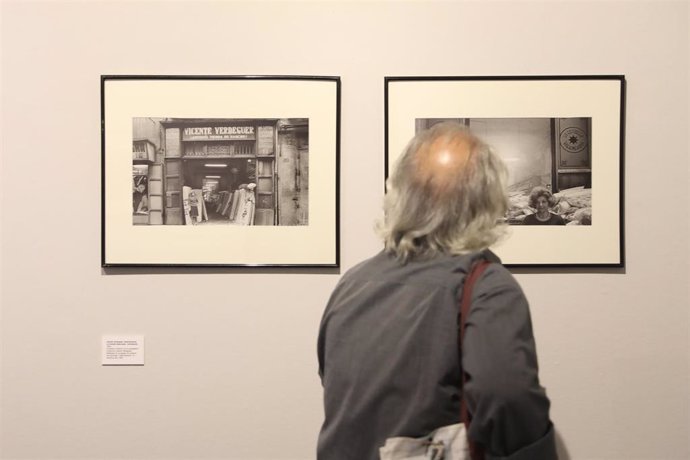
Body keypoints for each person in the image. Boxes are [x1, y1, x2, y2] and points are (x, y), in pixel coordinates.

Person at [317, 122, 557, 459]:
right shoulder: (487, 285)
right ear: (485, 201)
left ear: (401, 195)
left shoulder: (353, 282)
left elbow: (339, 386)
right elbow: (506, 395)